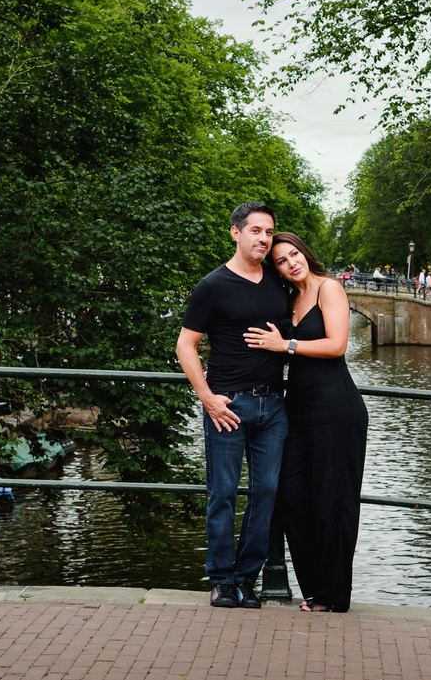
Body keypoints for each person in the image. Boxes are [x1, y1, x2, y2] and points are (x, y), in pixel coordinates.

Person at [244, 232, 369, 613]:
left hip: (336, 410)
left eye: (293, 254)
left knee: (333, 501)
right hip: (297, 411)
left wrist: (287, 345)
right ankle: (314, 587)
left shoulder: (329, 288)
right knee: (291, 497)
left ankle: (333, 596)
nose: (290, 263)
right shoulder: (290, 299)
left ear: (305, 253)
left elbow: (337, 345)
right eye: (281, 261)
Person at [176, 201, 291, 609]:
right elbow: (185, 345)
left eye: (269, 232)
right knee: (222, 493)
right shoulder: (213, 286)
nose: (264, 238)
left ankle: (247, 579)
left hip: (274, 406)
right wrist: (206, 397)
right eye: (256, 230)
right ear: (235, 233)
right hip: (227, 406)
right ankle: (222, 580)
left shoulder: (280, 283)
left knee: (267, 492)